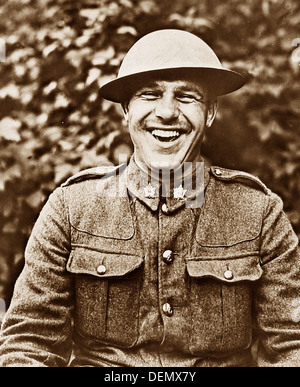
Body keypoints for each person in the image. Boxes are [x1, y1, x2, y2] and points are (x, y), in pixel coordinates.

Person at [0, 29, 300, 367]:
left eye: (186, 96)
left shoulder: (258, 212)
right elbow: (28, 344)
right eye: (150, 94)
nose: (167, 112)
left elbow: (292, 344)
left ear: (211, 113)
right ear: (126, 110)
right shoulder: (71, 208)